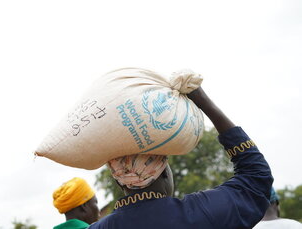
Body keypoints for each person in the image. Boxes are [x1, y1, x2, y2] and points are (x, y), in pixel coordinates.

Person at [89, 86, 274, 229]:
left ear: (120, 181)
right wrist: (205, 103)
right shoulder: (201, 212)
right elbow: (256, 178)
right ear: (163, 173)